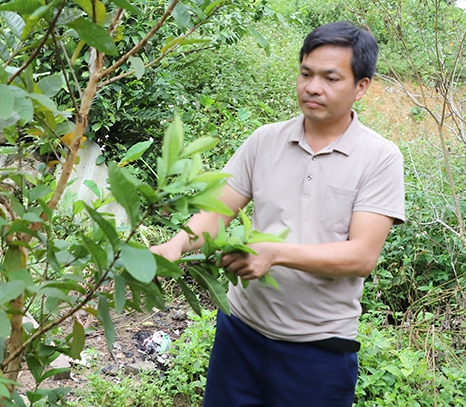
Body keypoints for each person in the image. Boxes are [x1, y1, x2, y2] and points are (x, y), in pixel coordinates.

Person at [151, 22, 405, 407]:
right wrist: (173, 246)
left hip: (318, 350)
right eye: (306, 74)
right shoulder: (265, 140)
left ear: (361, 86)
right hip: (239, 334)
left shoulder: (380, 157)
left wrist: (276, 253)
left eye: (330, 78)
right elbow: (217, 213)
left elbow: (362, 256)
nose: (313, 87)